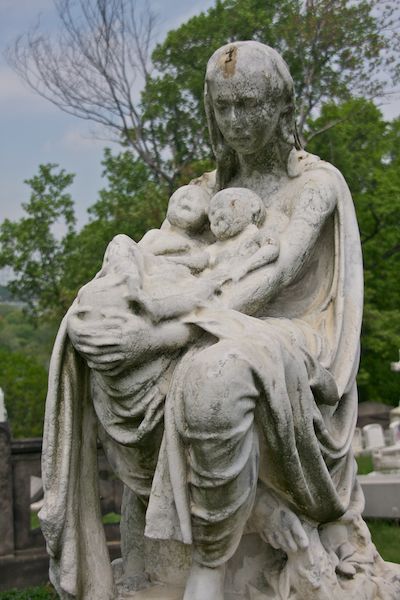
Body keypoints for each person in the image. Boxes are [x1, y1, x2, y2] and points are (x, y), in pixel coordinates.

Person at [40, 41, 381, 600]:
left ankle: (210, 564)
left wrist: (157, 337)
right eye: (226, 108)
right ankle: (224, 521)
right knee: (93, 328)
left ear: (281, 105)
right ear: (211, 111)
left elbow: (268, 281)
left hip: (291, 335)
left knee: (215, 378)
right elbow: (161, 261)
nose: (239, 121)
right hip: (202, 318)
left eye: (251, 104)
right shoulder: (200, 195)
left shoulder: (314, 185)